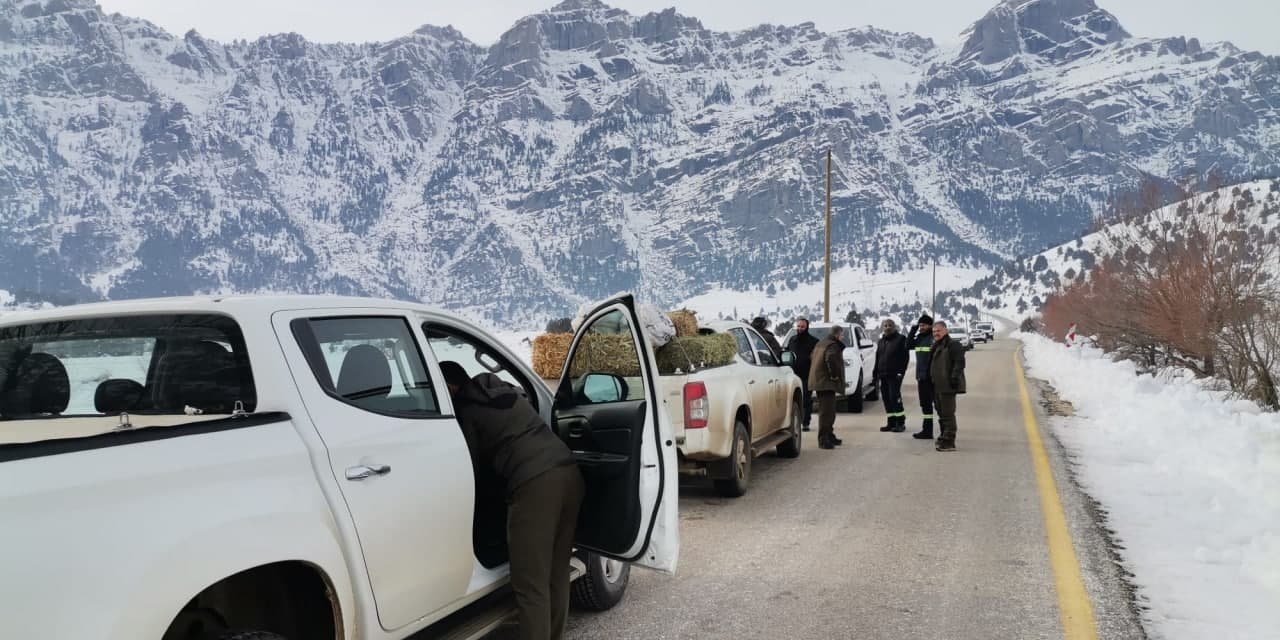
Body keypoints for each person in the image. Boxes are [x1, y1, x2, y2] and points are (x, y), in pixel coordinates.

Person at [439, 361, 584, 640]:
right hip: (569, 473)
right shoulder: (503, 391)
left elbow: (470, 469)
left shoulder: (467, 411)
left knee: (530, 584)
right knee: (556, 572)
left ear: (450, 388)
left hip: (535, 486)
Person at [929, 322, 966, 452]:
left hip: (948, 385)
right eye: (934, 332)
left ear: (946, 330)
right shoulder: (936, 345)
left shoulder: (953, 345)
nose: (936, 334)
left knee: (948, 414)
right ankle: (943, 436)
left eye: (938, 331)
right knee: (941, 413)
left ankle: (949, 441)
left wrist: (954, 377)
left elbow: (960, 362)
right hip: (937, 385)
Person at [809, 324, 846, 449]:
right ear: (837, 335)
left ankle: (829, 435)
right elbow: (830, 359)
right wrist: (834, 375)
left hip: (820, 381)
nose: (843, 338)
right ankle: (823, 439)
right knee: (826, 413)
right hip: (826, 382)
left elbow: (812, 357)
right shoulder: (832, 345)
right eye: (842, 335)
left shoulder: (821, 343)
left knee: (830, 411)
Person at [874, 318, 910, 433]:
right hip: (883, 374)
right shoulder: (881, 341)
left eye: (890, 325)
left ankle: (900, 422)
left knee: (894, 397)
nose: (887, 327)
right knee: (886, 398)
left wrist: (901, 372)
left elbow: (905, 358)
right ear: (882, 328)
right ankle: (891, 422)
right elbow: (878, 358)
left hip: (895, 375)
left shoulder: (901, 339)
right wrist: (875, 373)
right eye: (885, 325)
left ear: (894, 327)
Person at [786, 317, 819, 431]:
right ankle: (793, 422)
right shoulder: (792, 340)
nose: (800, 328)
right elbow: (786, 354)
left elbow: (817, 359)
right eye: (798, 326)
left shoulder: (814, 342)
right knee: (793, 400)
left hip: (807, 375)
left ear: (807, 327)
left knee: (806, 400)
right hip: (792, 376)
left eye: (802, 327)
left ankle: (805, 422)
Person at [906, 314, 936, 440]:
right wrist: (912, 331)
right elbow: (908, 345)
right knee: (925, 405)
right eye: (920, 325)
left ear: (930, 325)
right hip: (921, 377)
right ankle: (927, 431)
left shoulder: (933, 338)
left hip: (932, 378)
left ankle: (945, 430)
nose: (921, 327)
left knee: (939, 405)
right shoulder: (919, 338)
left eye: (923, 325)